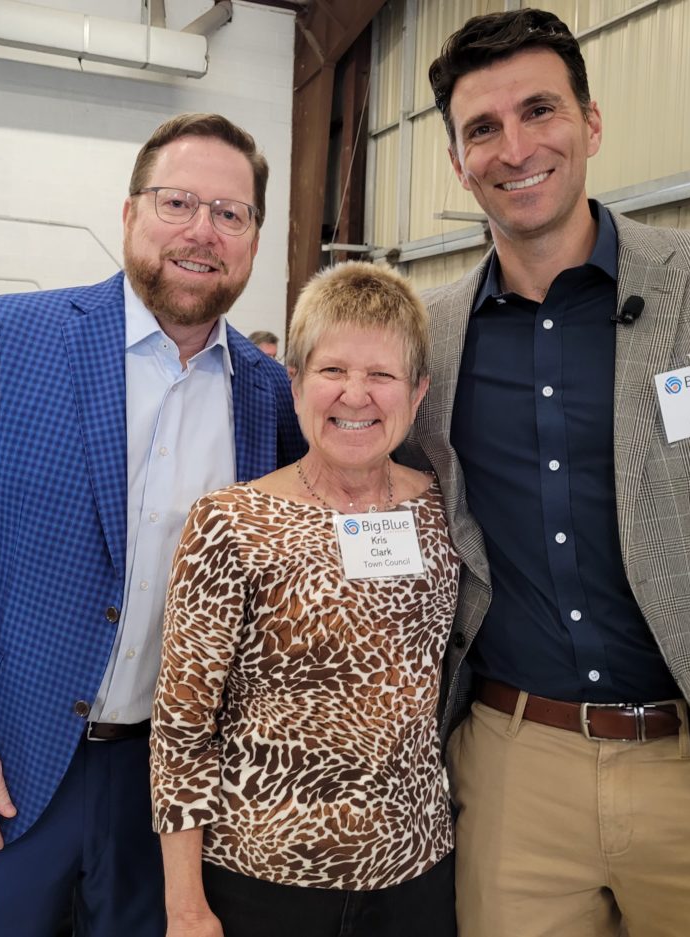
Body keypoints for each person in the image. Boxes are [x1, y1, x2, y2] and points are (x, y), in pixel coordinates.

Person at [397, 9, 690, 937]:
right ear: (459, 163)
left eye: (541, 110)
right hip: (513, 773)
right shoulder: (433, 336)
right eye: (482, 130)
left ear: (592, 123)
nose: (516, 147)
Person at [0, 112, 306, 937]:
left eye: (231, 213)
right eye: (178, 202)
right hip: (3, 764)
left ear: (254, 236)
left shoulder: (267, 393)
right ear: (129, 213)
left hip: (169, 790)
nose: (203, 231)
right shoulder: (14, 337)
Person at [151, 261, 458, 937]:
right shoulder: (230, 522)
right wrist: (185, 905)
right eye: (332, 370)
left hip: (416, 873)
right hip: (262, 881)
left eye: (381, 374)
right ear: (294, 383)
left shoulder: (444, 512)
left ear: (418, 390)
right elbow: (182, 728)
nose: (356, 395)